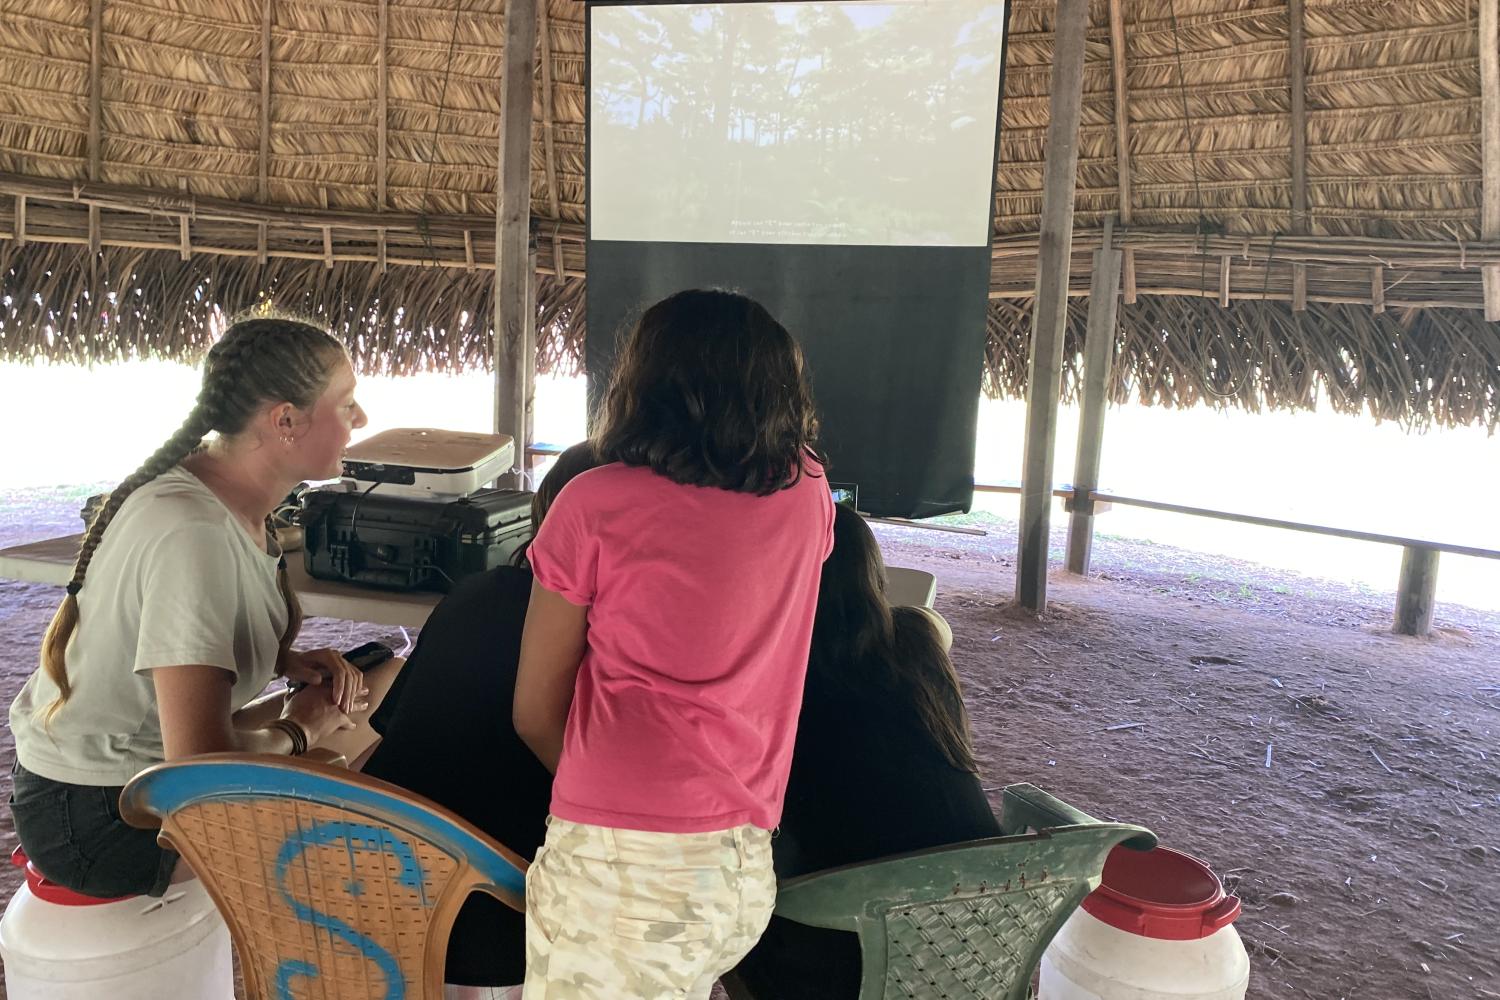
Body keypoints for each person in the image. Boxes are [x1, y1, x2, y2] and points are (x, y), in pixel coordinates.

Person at [513, 289, 835, 1000]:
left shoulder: (593, 503)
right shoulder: (808, 490)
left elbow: (535, 709)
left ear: (643, 383)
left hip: (621, 881)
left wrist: (612, 799)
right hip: (742, 860)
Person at [8, 316, 391, 899]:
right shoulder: (194, 531)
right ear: (285, 421)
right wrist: (300, 729)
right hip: (99, 817)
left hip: (127, 773)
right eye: (347, 403)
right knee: (367, 784)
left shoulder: (219, 499)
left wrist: (284, 662)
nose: (360, 419)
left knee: (385, 681)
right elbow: (200, 764)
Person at [357, 442, 603, 991]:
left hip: (382, 892)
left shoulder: (474, 593)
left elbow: (392, 735)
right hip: (498, 919)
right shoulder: (605, 637)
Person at [731, 503, 1001, 998]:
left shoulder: (773, 680)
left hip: (854, 953)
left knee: (725, 903)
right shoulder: (919, 642)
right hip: (980, 944)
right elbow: (934, 622)